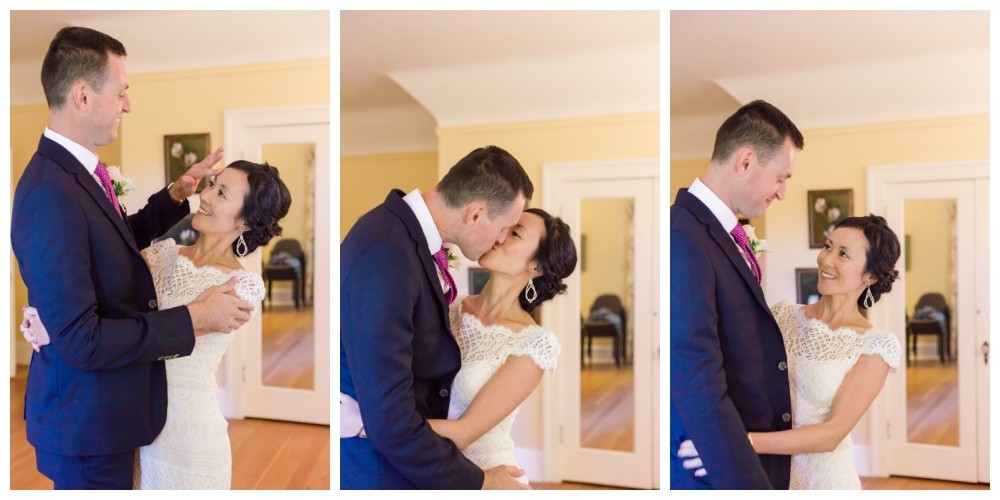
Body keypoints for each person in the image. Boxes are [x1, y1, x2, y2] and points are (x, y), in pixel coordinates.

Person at [10, 26, 254, 489]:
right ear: (83, 96)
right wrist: (195, 316)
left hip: (111, 414)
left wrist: (177, 195)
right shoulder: (49, 192)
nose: (128, 105)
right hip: (86, 426)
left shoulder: (74, 173)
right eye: (121, 92)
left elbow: (113, 244)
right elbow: (82, 340)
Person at [22, 161, 293, 489]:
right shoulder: (159, 255)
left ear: (247, 221)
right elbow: (110, 304)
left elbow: (168, 332)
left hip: (188, 432)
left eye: (221, 193)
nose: (205, 196)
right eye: (211, 185)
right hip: (133, 422)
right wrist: (52, 319)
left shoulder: (241, 285)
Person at [340, 145, 535, 489]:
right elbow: (389, 419)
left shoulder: (401, 235)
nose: (501, 239)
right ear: (475, 214)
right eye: (504, 228)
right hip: (375, 468)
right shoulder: (389, 252)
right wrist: (481, 482)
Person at [340, 208, 577, 485]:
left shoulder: (534, 344)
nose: (500, 236)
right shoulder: (448, 305)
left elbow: (464, 432)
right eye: (504, 227)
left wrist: (365, 424)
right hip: (419, 465)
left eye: (514, 233)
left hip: (484, 478)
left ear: (535, 267)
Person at [680, 215, 902, 489]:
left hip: (823, 483)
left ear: (871, 275)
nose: (826, 260)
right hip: (767, 475)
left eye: (843, 254)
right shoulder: (783, 315)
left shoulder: (875, 345)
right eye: (828, 246)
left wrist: (738, 444)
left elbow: (831, 434)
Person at [670, 99, 804, 489]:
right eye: (781, 178)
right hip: (717, 470)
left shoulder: (716, 231)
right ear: (745, 161)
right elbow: (696, 379)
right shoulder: (684, 236)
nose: (782, 193)